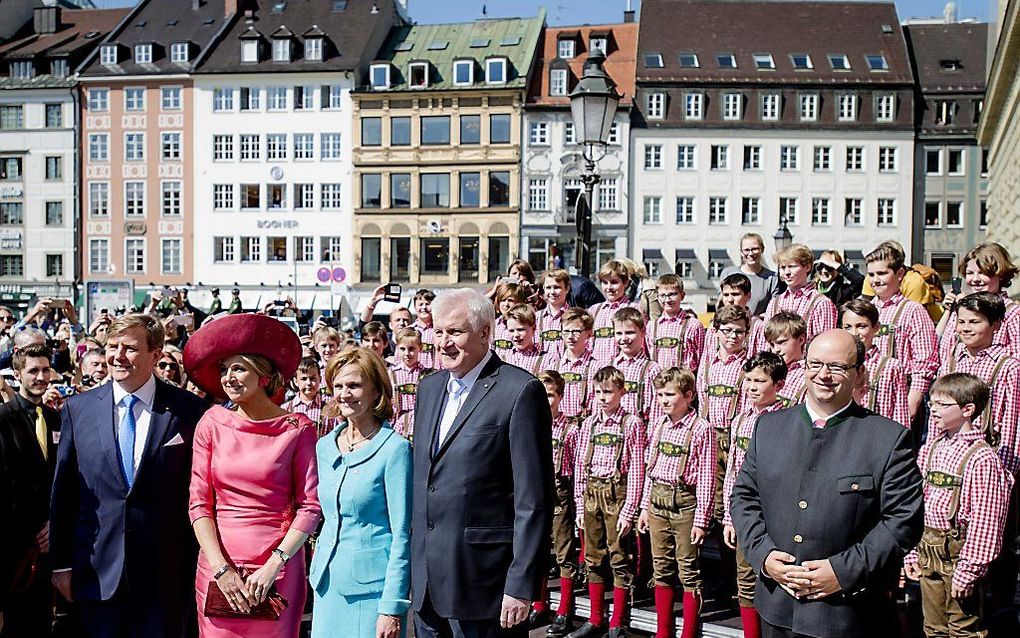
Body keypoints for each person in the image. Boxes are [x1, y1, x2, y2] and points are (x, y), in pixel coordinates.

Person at [731, 329, 924, 638]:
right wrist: (763, 555)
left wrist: (844, 571)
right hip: (776, 608)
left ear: (859, 373)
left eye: (836, 367)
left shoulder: (887, 439)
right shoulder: (769, 427)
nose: (823, 375)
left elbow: (903, 522)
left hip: (848, 615)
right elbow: (744, 497)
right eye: (815, 364)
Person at [50, 314, 209, 638]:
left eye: (130, 348)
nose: (118, 356)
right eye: (113, 346)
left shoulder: (188, 411)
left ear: (156, 353)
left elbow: (198, 493)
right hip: (96, 574)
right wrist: (61, 565)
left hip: (164, 578)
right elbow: (63, 494)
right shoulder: (77, 410)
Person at [411, 288, 552, 638]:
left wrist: (520, 583)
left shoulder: (519, 391)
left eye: (455, 332)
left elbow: (533, 500)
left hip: (484, 586)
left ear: (486, 333)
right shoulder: (429, 389)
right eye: (439, 331)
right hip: (427, 585)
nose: (444, 342)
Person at [183, 313, 321, 638]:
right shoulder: (212, 423)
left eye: (238, 368)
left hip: (278, 574)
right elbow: (199, 505)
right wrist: (221, 570)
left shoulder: (297, 429)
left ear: (263, 375)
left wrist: (274, 565)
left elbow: (311, 507)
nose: (228, 378)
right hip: (218, 574)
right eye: (223, 369)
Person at [311, 347, 412, 638]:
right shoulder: (325, 446)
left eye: (354, 385)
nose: (344, 394)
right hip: (326, 585)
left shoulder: (395, 450)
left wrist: (392, 606)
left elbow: (402, 534)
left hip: (373, 595)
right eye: (338, 386)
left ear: (376, 391)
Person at [903, 373, 1012, 638]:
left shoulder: (981, 457)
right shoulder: (935, 446)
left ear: (968, 410)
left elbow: (987, 519)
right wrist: (912, 550)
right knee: (933, 627)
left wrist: (970, 569)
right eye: (931, 403)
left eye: (942, 404)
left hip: (958, 555)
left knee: (963, 628)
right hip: (929, 548)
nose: (933, 410)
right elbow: (921, 500)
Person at [638, 367, 716, 638]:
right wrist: (645, 507)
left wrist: (701, 520)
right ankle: (663, 631)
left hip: (685, 503)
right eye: (659, 395)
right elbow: (650, 466)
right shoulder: (658, 424)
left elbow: (707, 476)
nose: (663, 400)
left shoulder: (702, 428)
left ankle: (689, 633)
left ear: (688, 395)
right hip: (658, 500)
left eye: (670, 394)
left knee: (688, 569)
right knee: (661, 567)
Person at [569, 366, 646, 638]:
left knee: (619, 557)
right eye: (599, 392)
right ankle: (595, 618)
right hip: (591, 493)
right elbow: (580, 464)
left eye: (609, 392)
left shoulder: (631, 423)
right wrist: (579, 503)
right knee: (593, 557)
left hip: (617, 495)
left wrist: (630, 510)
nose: (603, 397)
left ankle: (618, 621)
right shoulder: (588, 423)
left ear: (622, 392)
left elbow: (637, 469)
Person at [723, 352, 788, 638]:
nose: (751, 386)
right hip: (748, 511)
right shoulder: (740, 420)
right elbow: (733, 472)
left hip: (776, 512)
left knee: (777, 579)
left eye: (759, 381)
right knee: (746, 579)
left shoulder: (789, 420)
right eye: (748, 379)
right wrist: (729, 515)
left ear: (779, 384)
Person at [0, 344, 61, 637]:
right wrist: (33, 530)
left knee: (39, 625)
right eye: (33, 371)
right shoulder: (3, 419)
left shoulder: (56, 418)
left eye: (45, 370)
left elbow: (64, 479)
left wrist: (54, 524)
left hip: (49, 548)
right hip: (12, 549)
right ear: (17, 374)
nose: (40, 377)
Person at [865, 244, 939, 423]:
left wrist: (912, 401)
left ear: (899, 274)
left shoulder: (913, 310)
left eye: (882, 274)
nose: (876, 280)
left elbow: (925, 361)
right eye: (872, 275)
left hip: (899, 395)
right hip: (867, 393)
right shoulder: (867, 309)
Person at [530, 371, 579, 637]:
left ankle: (564, 611)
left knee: (563, 554)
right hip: (535, 492)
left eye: (550, 395)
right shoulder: (531, 423)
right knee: (538, 551)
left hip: (560, 493)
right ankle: (540, 604)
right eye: (542, 395)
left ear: (560, 396)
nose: (546, 401)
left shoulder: (570, 429)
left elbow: (575, 468)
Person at [938, 242, 1020, 359]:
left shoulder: (1012, 314)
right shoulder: (962, 308)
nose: (975, 279)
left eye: (983, 273)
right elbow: (946, 351)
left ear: (1000, 274)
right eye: (970, 273)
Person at [840, 300, 911, 428]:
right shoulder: (837, 363)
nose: (854, 333)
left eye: (861, 326)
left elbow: (900, 413)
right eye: (848, 327)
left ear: (876, 327)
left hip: (877, 434)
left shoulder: (890, 367)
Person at [763, 244, 838, 341]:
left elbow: (823, 345)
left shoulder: (821, 303)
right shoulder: (774, 303)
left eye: (792, 266)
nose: (787, 272)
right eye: (782, 267)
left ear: (807, 267)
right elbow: (765, 341)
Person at [647, 274, 705, 373]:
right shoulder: (651, 326)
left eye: (672, 294)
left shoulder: (694, 325)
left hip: (684, 382)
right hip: (659, 383)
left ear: (682, 296)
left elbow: (701, 359)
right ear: (657, 297)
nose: (667, 300)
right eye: (663, 295)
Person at [589, 260, 641, 366]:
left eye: (614, 282)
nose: (609, 288)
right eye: (605, 282)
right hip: (598, 369)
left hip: (624, 368)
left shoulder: (634, 309)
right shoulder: (594, 310)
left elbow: (642, 342)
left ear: (625, 283)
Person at [721, 233, 783, 317]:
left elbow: (774, 308)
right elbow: (721, 305)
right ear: (741, 252)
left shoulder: (772, 278)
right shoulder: (728, 273)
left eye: (755, 249)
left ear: (762, 249)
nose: (750, 253)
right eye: (746, 250)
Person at [389, 328, 434, 441]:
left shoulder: (428, 374)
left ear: (420, 348)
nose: (407, 353)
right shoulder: (391, 374)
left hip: (420, 423)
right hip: (397, 424)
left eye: (412, 349)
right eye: (402, 349)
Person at [281, 356, 333, 438]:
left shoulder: (328, 407)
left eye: (313, 378)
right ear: (296, 381)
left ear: (320, 379)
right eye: (304, 379)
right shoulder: (285, 409)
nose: (308, 383)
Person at [764, 312, 807, 408]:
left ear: (801, 340)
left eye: (781, 342)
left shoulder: (806, 375)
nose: (776, 350)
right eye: (772, 345)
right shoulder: (768, 371)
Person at [505, 304, 560, 376]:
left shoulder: (548, 359)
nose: (516, 335)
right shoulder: (505, 358)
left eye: (521, 330)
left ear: (533, 329)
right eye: (511, 331)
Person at [537, 270, 572, 349]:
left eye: (557, 287)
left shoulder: (575, 317)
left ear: (567, 288)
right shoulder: (536, 318)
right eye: (548, 287)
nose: (552, 292)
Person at [411, 289, 438, 369]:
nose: (424, 307)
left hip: (435, 373)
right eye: (420, 304)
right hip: (415, 374)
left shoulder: (439, 329)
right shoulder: (409, 330)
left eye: (428, 304)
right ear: (415, 307)